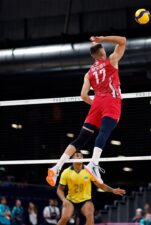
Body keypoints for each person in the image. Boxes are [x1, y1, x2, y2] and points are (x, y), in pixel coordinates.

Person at [46, 35, 127, 186]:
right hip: (111, 100)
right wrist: (103, 38)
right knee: (104, 132)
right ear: (102, 52)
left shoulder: (89, 73)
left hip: (96, 103)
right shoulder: (112, 60)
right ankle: (93, 164)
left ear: (93, 57)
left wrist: (96, 104)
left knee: (81, 139)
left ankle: (56, 167)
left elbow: (83, 95)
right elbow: (122, 40)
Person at [56, 152, 125, 225]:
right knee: (64, 218)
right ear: (72, 159)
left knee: (90, 215)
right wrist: (64, 200)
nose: (79, 157)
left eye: (81, 156)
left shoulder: (89, 170)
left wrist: (113, 190)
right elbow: (59, 189)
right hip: (70, 200)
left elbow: (100, 185)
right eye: (77, 156)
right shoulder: (66, 172)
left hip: (85, 201)